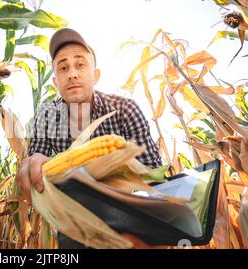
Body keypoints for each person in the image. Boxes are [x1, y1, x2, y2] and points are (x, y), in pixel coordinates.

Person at [16, 28, 163, 248]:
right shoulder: (46, 116)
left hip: (130, 213)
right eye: (63, 68)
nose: (72, 74)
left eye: (80, 64)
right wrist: (32, 164)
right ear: (56, 82)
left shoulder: (124, 109)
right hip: (77, 222)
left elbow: (153, 175)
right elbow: (35, 165)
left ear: (96, 75)